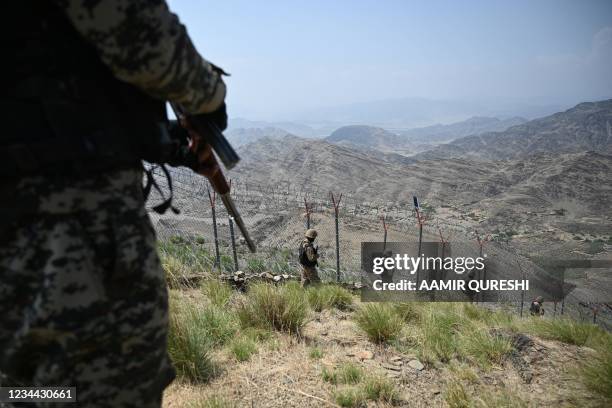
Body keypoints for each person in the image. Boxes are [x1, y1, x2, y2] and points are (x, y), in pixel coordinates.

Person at [0, 1, 227, 406]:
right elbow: (145, 40)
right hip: (62, 218)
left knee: (27, 390)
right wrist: (211, 95)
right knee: (103, 386)